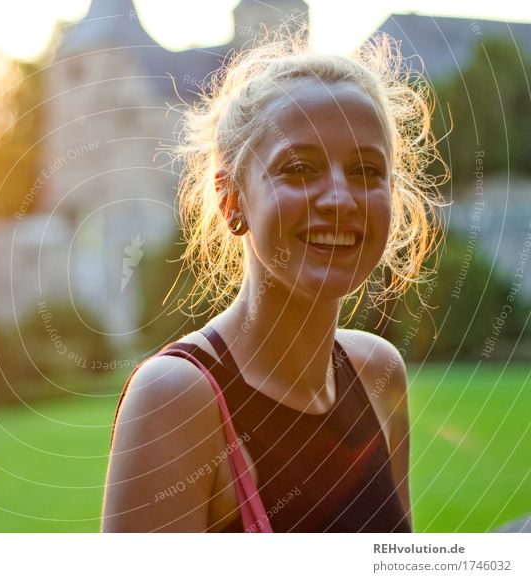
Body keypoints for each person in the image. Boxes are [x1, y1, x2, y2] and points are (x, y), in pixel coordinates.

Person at [101, 30, 445, 532]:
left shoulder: (378, 376)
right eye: (299, 168)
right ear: (231, 200)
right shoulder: (176, 399)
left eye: (366, 170)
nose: (340, 199)